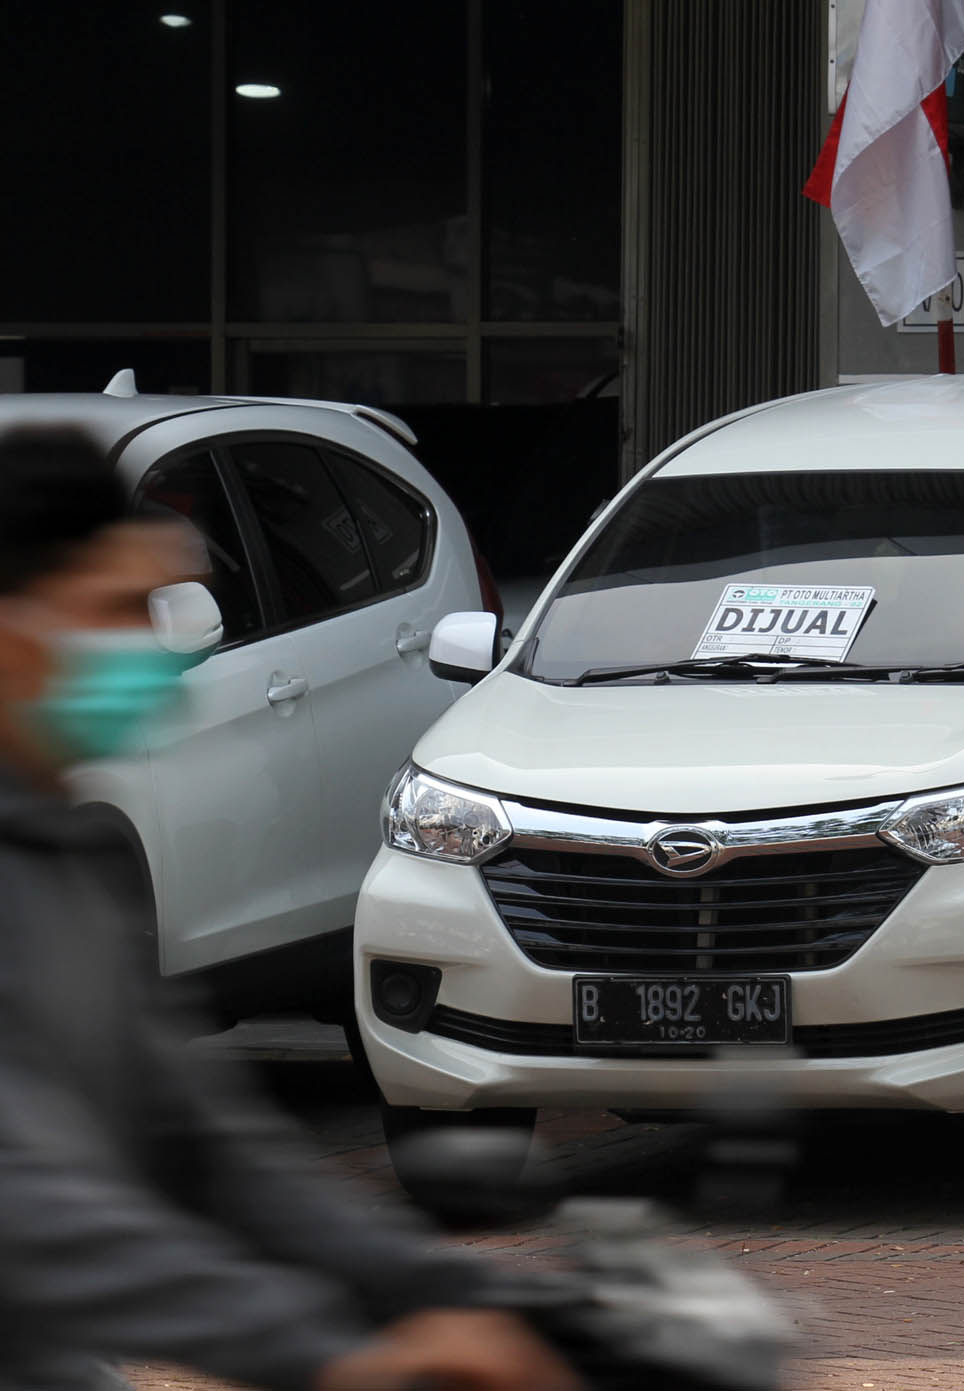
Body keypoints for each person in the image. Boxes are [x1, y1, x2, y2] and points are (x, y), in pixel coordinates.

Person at [0, 424, 580, 1391]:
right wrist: (326, 1354)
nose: (139, 654)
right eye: (102, 613)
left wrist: (442, 1293)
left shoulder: (57, 852)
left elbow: (197, 1143)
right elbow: (27, 1207)